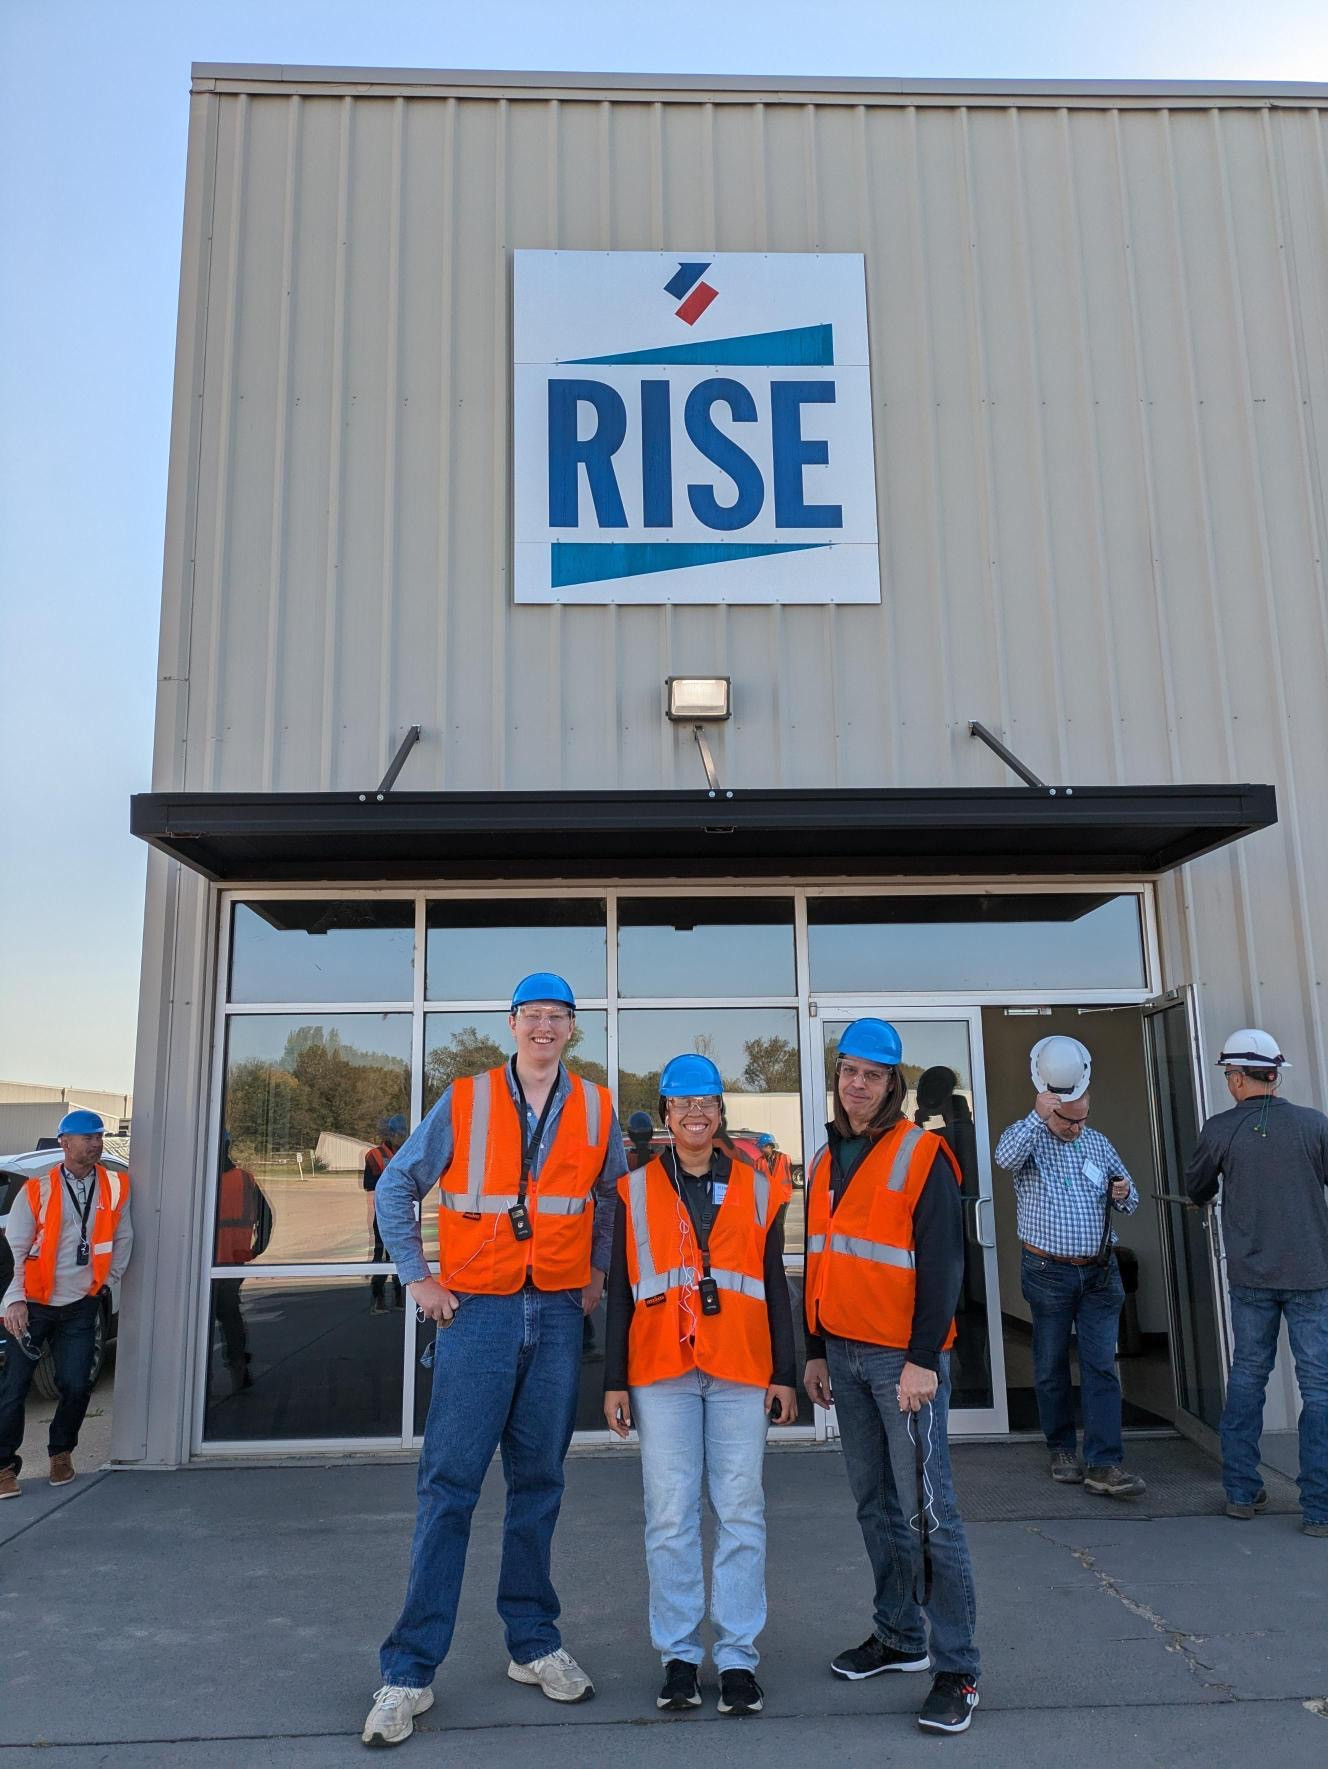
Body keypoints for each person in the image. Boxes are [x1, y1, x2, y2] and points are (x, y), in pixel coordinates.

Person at [361, 972, 628, 1749]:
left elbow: (609, 1198)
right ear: (512, 1024)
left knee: (539, 1483)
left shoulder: (597, 1106)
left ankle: (533, 1642)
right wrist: (417, 1276)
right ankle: (409, 1670)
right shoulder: (468, 1097)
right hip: (476, 1312)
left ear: (573, 1029)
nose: (544, 1027)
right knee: (449, 1486)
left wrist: (598, 1275)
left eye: (558, 1017)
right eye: (532, 1015)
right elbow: (398, 1184)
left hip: (554, 1309)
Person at [603, 1054, 796, 1718]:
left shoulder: (756, 1186)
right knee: (670, 1514)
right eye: (682, 1103)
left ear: (719, 1114)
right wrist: (614, 1381)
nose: (694, 1113)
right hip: (661, 1371)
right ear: (664, 1115)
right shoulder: (633, 1191)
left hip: (741, 1366)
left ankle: (738, 1659)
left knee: (741, 1511)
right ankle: (679, 1656)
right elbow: (621, 1295)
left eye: (706, 1103)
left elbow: (774, 1283)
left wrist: (785, 1372)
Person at [803, 1019, 980, 1737]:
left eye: (872, 1074)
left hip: (900, 1360)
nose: (857, 1083)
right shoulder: (825, 1158)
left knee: (929, 1512)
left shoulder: (923, 1153)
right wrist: (814, 1349)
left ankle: (957, 1667)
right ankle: (900, 1633)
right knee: (875, 1503)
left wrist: (920, 1358)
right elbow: (821, 1257)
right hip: (841, 1354)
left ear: (893, 1083)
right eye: (848, 1069)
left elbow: (944, 1265)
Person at [1185, 1028, 1328, 1536]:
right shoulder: (1314, 1125)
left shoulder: (1220, 1129)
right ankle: (1320, 1510)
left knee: (1248, 1377)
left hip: (1250, 1274)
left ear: (1242, 1078)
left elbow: (1196, 1186)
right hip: (1313, 1272)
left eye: (1229, 1075)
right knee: (1320, 1388)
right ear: (1276, 1074)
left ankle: (1242, 1493)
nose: (1229, 1082)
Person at [993, 1035, 1145, 1498]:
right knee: (1051, 1363)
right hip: (1049, 1273)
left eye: (1082, 1120)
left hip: (1100, 1273)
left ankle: (1104, 1463)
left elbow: (1131, 1198)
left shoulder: (1097, 1143)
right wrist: (1038, 1118)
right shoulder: (1030, 1140)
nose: (1076, 1128)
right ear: (1048, 1108)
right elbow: (1003, 1157)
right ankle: (1061, 1449)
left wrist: (1123, 1195)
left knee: (1101, 1365)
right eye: (1067, 1120)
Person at [0, 1110, 133, 1499]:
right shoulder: (37, 1189)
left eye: (98, 1136)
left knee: (76, 1384)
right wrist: (14, 1300)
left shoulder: (114, 1185)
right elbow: (15, 1251)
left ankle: (61, 1452)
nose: (95, 1143)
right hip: (33, 1305)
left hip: (81, 1303)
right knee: (13, 1388)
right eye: (86, 1137)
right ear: (65, 1142)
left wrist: (105, 1284)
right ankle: (5, 1467)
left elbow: (123, 1238)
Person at [213, 1130, 272, 1395]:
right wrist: (254, 1250)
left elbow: (265, 1217)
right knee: (230, 1317)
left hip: (216, 1262)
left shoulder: (201, 1179)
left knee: (204, 1320)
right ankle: (238, 1369)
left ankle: (206, 1378)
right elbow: (266, 1217)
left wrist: (254, 1250)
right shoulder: (245, 1180)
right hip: (232, 1262)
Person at [365, 1114, 408, 1312]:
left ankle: (399, 1297)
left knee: (399, 1254)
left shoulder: (405, 1152)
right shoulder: (374, 1155)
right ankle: (378, 1298)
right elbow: (370, 1187)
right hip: (382, 1213)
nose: (400, 1137)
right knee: (380, 1255)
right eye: (398, 1133)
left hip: (401, 1212)